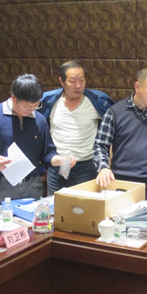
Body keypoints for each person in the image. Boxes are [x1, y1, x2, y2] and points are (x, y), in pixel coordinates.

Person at [0, 74, 75, 206]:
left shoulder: (39, 120)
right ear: (14, 98)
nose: (31, 110)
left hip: (31, 185)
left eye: (35, 106)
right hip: (0, 185)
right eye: (27, 106)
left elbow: (47, 154)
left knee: (34, 219)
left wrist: (61, 160)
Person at [94, 67, 147, 202]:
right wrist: (103, 167)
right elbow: (100, 145)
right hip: (122, 183)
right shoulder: (115, 112)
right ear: (137, 87)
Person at [39, 61, 114, 195]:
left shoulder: (97, 101)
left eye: (82, 80)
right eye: (72, 81)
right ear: (62, 81)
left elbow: (114, 127)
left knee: (84, 204)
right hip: (58, 165)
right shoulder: (49, 101)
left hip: (86, 166)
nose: (78, 86)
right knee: (55, 203)